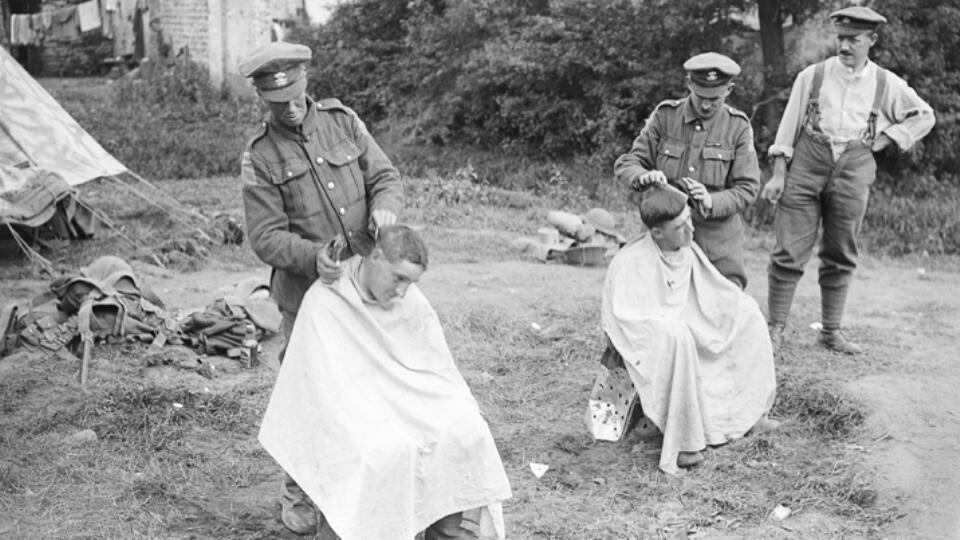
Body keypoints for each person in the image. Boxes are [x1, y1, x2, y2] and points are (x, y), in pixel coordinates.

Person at [237, 41, 404, 534]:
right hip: (307, 294)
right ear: (263, 99)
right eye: (276, 103)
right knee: (309, 395)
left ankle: (363, 483)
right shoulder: (261, 157)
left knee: (372, 386)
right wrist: (311, 257)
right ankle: (300, 494)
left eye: (294, 97)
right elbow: (264, 236)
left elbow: (385, 176)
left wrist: (385, 207)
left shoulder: (343, 121)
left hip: (365, 281)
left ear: (306, 84)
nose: (289, 109)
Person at [258, 225, 513, 539]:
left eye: (412, 282)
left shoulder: (411, 301)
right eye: (399, 278)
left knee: (466, 431)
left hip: (409, 400)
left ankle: (446, 529)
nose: (404, 292)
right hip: (354, 409)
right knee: (385, 451)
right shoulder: (327, 299)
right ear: (375, 256)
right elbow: (323, 388)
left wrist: (456, 406)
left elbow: (436, 367)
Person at [761, 6, 935, 355]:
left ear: (871, 40)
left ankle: (831, 331)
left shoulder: (886, 83)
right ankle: (774, 329)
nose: (845, 46)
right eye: (841, 38)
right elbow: (788, 126)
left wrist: (886, 140)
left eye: (853, 40)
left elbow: (924, 116)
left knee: (841, 251)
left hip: (853, 170)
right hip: (806, 166)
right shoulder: (813, 76)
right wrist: (779, 174)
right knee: (789, 251)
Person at [600, 185, 777, 474]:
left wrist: (736, 307)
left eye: (690, 220)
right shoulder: (631, 261)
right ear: (657, 233)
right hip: (651, 334)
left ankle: (750, 415)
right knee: (678, 337)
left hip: (689, 320)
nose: (691, 231)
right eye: (681, 227)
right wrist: (670, 326)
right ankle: (684, 441)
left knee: (749, 314)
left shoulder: (686, 249)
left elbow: (711, 290)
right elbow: (625, 316)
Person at [614, 52, 761, 289]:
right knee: (658, 297)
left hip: (717, 238)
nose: (705, 105)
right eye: (700, 95)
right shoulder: (665, 116)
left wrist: (711, 200)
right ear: (689, 84)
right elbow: (627, 163)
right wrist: (644, 176)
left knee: (724, 298)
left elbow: (748, 188)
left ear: (729, 90)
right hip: (668, 234)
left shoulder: (738, 127)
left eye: (714, 98)